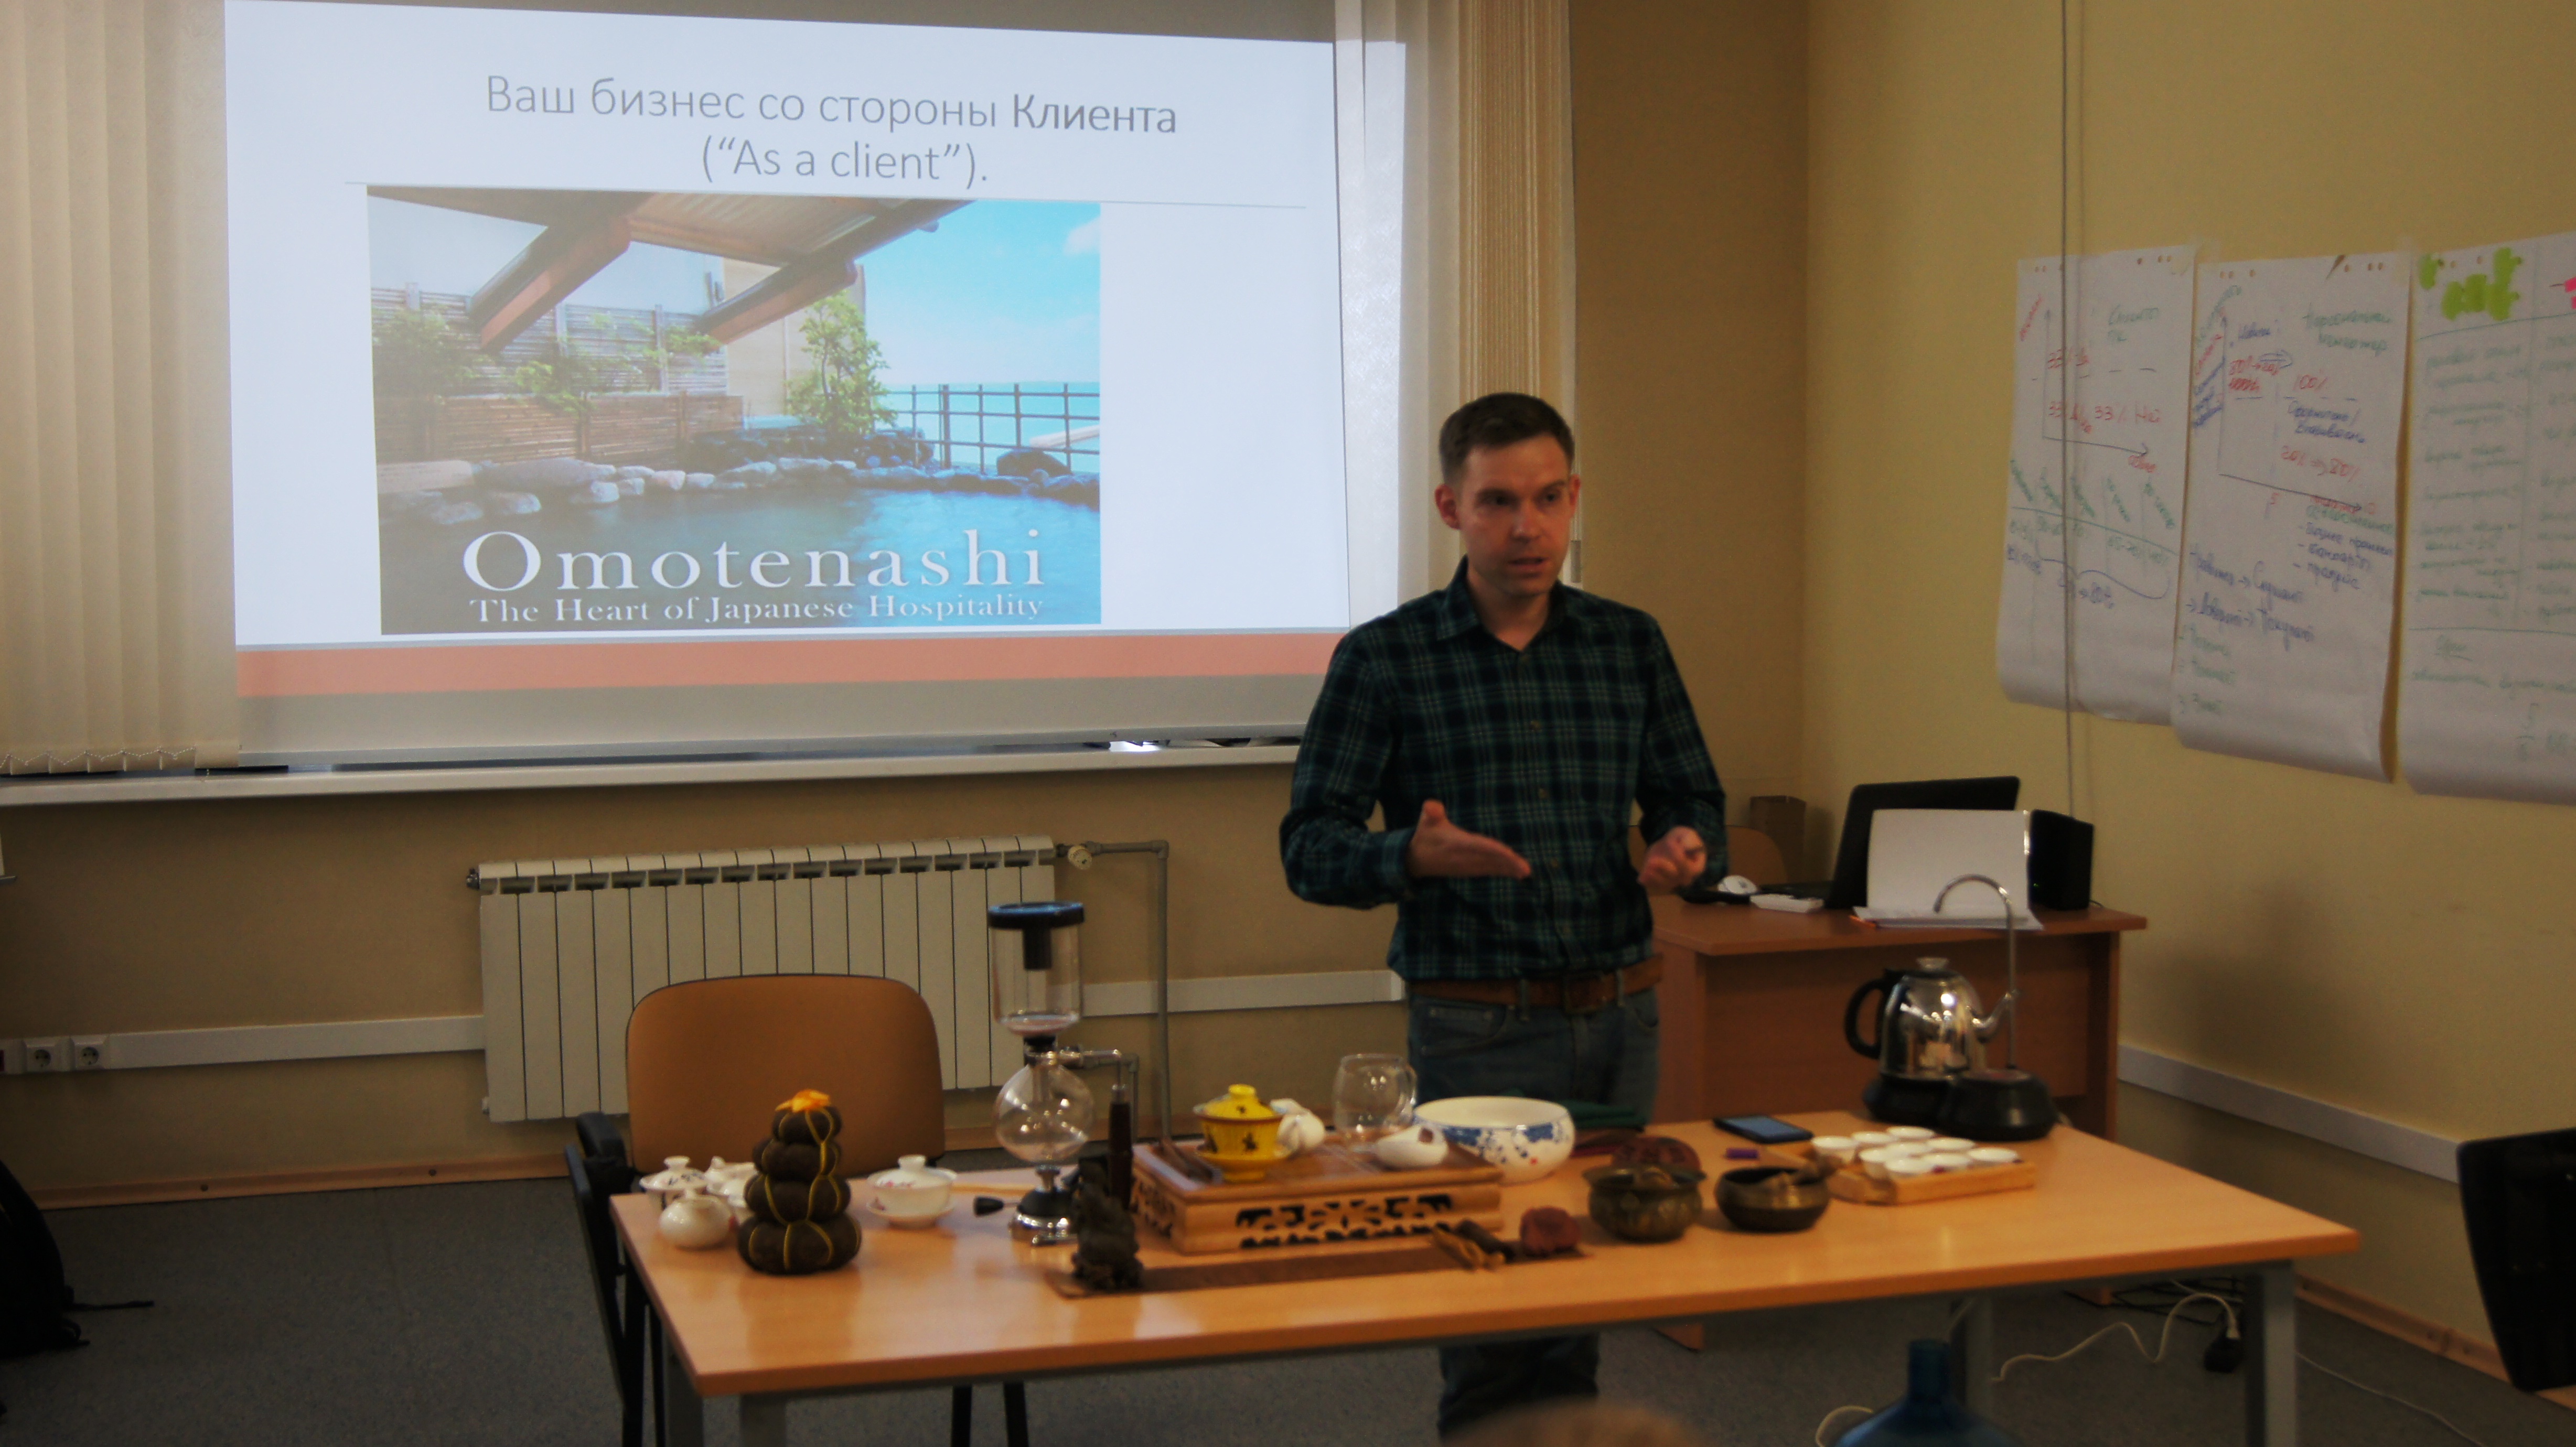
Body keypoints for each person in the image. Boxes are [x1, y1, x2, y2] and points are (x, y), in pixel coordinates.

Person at [1279, 392, 1728, 1436]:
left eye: (1548, 498)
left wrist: (1685, 847)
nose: (1528, 527)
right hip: (1476, 1026)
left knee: (1578, 1298)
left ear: (1573, 498)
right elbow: (1308, 847)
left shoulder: (1628, 643)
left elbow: (1691, 797)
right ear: (1451, 508)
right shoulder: (1385, 657)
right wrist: (1408, 855)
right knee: (1491, 1312)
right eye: (1497, 502)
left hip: (1619, 1019)